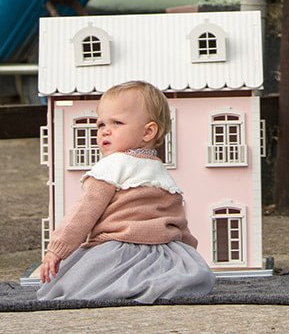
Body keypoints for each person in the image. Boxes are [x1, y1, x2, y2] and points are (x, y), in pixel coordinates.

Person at [37, 80, 215, 303]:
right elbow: (178, 222)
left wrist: (57, 250)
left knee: (71, 284)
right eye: (100, 125)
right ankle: (158, 283)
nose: (105, 131)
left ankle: (124, 288)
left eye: (117, 123)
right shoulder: (162, 173)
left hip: (117, 251)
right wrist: (190, 255)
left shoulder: (111, 166)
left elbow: (83, 213)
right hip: (164, 254)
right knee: (188, 279)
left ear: (148, 131)